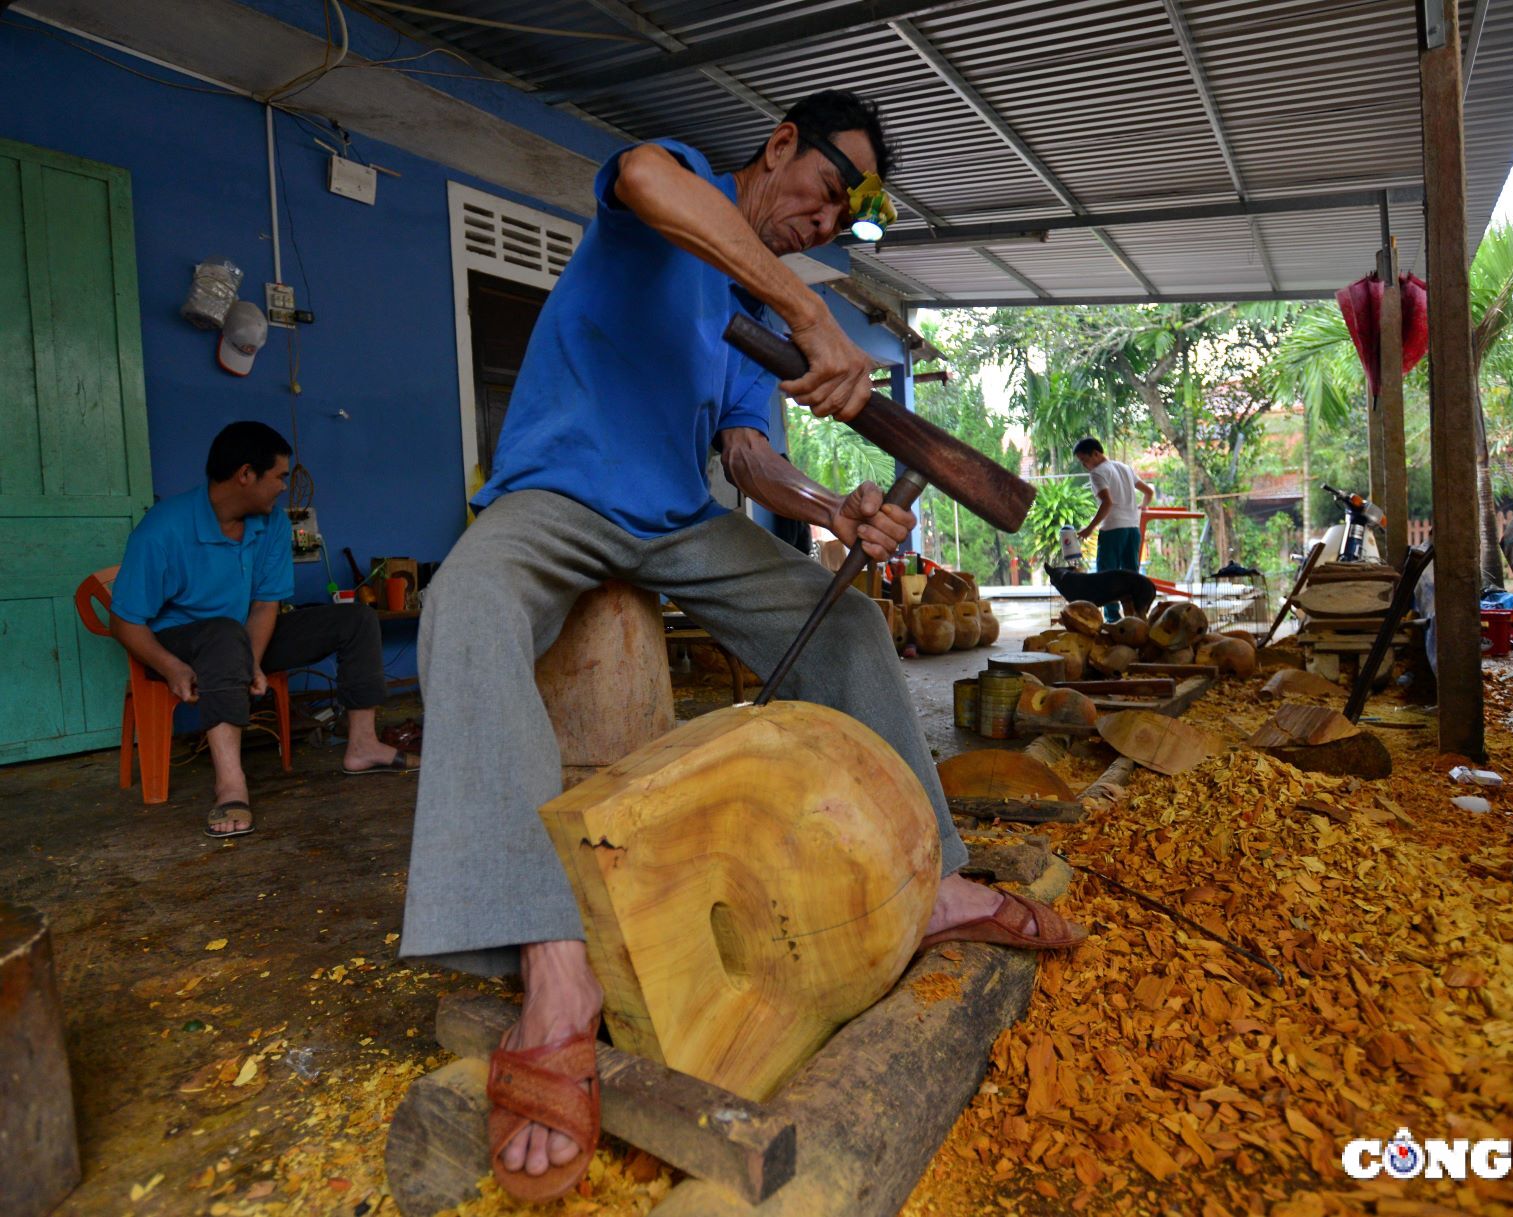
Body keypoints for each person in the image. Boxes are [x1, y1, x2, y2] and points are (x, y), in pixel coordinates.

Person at [398, 91, 1085, 1203]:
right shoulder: (670, 195)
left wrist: (834, 508)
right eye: (820, 196)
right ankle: (553, 966)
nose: (816, 227)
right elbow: (642, 181)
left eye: (838, 223)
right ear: (775, 149)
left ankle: (938, 881)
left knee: (850, 617)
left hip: (676, 521)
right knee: (465, 606)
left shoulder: (741, 317)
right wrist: (814, 317)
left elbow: (754, 462)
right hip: (558, 495)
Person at [108, 422, 417, 838]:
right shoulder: (164, 528)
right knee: (221, 634)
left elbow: (265, 603)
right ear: (245, 474)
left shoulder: (269, 523)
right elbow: (124, 620)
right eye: (278, 477)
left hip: (243, 639)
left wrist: (252, 663)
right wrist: (169, 667)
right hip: (183, 644)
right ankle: (230, 782)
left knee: (355, 618)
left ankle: (362, 744)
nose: (283, 488)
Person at [1073, 437, 1156, 621]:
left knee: (1106, 578)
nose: (1085, 466)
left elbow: (1107, 503)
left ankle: (1113, 620)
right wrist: (1142, 507)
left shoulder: (1097, 473)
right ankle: (1136, 619)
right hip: (1132, 529)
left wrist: (1089, 528)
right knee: (1131, 576)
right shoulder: (1124, 468)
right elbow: (1149, 492)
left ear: (1096, 453)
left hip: (1112, 530)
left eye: (1084, 460)